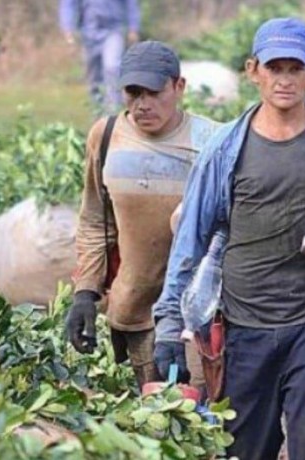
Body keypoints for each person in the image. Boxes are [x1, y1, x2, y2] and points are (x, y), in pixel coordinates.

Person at [152, 17, 305, 460]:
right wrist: (169, 328)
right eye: (274, 67)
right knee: (246, 447)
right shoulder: (226, 149)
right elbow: (190, 241)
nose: (284, 79)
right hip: (245, 326)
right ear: (253, 71)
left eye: (295, 68)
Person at [65, 41, 220, 388]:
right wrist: (85, 293)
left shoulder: (211, 140)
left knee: (194, 408)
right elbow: (94, 220)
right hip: (134, 311)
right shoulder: (106, 136)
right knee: (149, 411)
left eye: (154, 92)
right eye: (133, 93)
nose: (142, 104)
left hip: (194, 316)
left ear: (179, 87)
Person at [59, 0, 141, 114]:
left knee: (112, 67)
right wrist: (68, 29)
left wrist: (133, 28)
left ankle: (113, 112)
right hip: (88, 32)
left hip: (113, 30)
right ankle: (98, 112)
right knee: (94, 78)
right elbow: (68, 4)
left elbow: (131, 3)